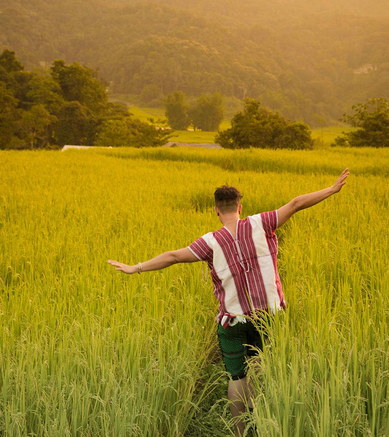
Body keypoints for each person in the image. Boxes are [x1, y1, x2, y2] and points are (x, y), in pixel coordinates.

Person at [108, 168, 349, 436]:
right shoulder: (261, 222)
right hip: (267, 316)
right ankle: (263, 420)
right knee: (260, 366)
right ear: (239, 207)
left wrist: (135, 267)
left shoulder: (210, 242)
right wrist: (332, 189)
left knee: (237, 378)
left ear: (216, 211)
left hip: (232, 321)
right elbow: (295, 204)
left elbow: (173, 256)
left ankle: (240, 431)